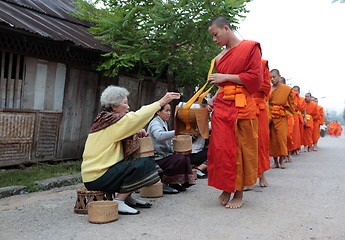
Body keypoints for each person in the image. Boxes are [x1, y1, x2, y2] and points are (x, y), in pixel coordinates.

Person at [81, 86, 180, 215]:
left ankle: (127, 198)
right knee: (145, 163)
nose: (128, 107)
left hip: (96, 175)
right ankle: (119, 201)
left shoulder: (105, 120)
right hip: (98, 177)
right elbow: (136, 117)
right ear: (114, 106)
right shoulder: (112, 121)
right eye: (125, 103)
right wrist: (161, 102)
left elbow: (127, 127)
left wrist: (135, 131)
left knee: (138, 162)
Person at [207, 16, 262, 208]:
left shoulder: (250, 47)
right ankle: (226, 188)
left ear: (226, 28)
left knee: (239, 149)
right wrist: (214, 97)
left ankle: (239, 193)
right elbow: (223, 85)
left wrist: (225, 77)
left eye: (216, 34)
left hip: (241, 106)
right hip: (222, 106)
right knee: (222, 149)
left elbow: (255, 79)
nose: (215, 39)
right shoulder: (220, 57)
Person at [147, 104, 195, 193]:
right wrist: (177, 132)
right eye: (166, 111)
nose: (169, 113)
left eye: (169, 111)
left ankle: (174, 182)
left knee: (184, 157)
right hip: (155, 158)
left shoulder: (163, 122)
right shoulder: (155, 122)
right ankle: (163, 183)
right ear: (158, 112)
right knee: (179, 159)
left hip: (164, 155)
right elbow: (159, 136)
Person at [268, 69, 294, 169]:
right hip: (270, 117)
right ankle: (275, 162)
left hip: (281, 117)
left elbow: (291, 104)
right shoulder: (268, 89)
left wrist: (291, 114)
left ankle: (282, 161)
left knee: (282, 139)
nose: (272, 79)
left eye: (274, 77)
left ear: (279, 76)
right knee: (273, 140)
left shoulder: (286, 89)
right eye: (270, 77)